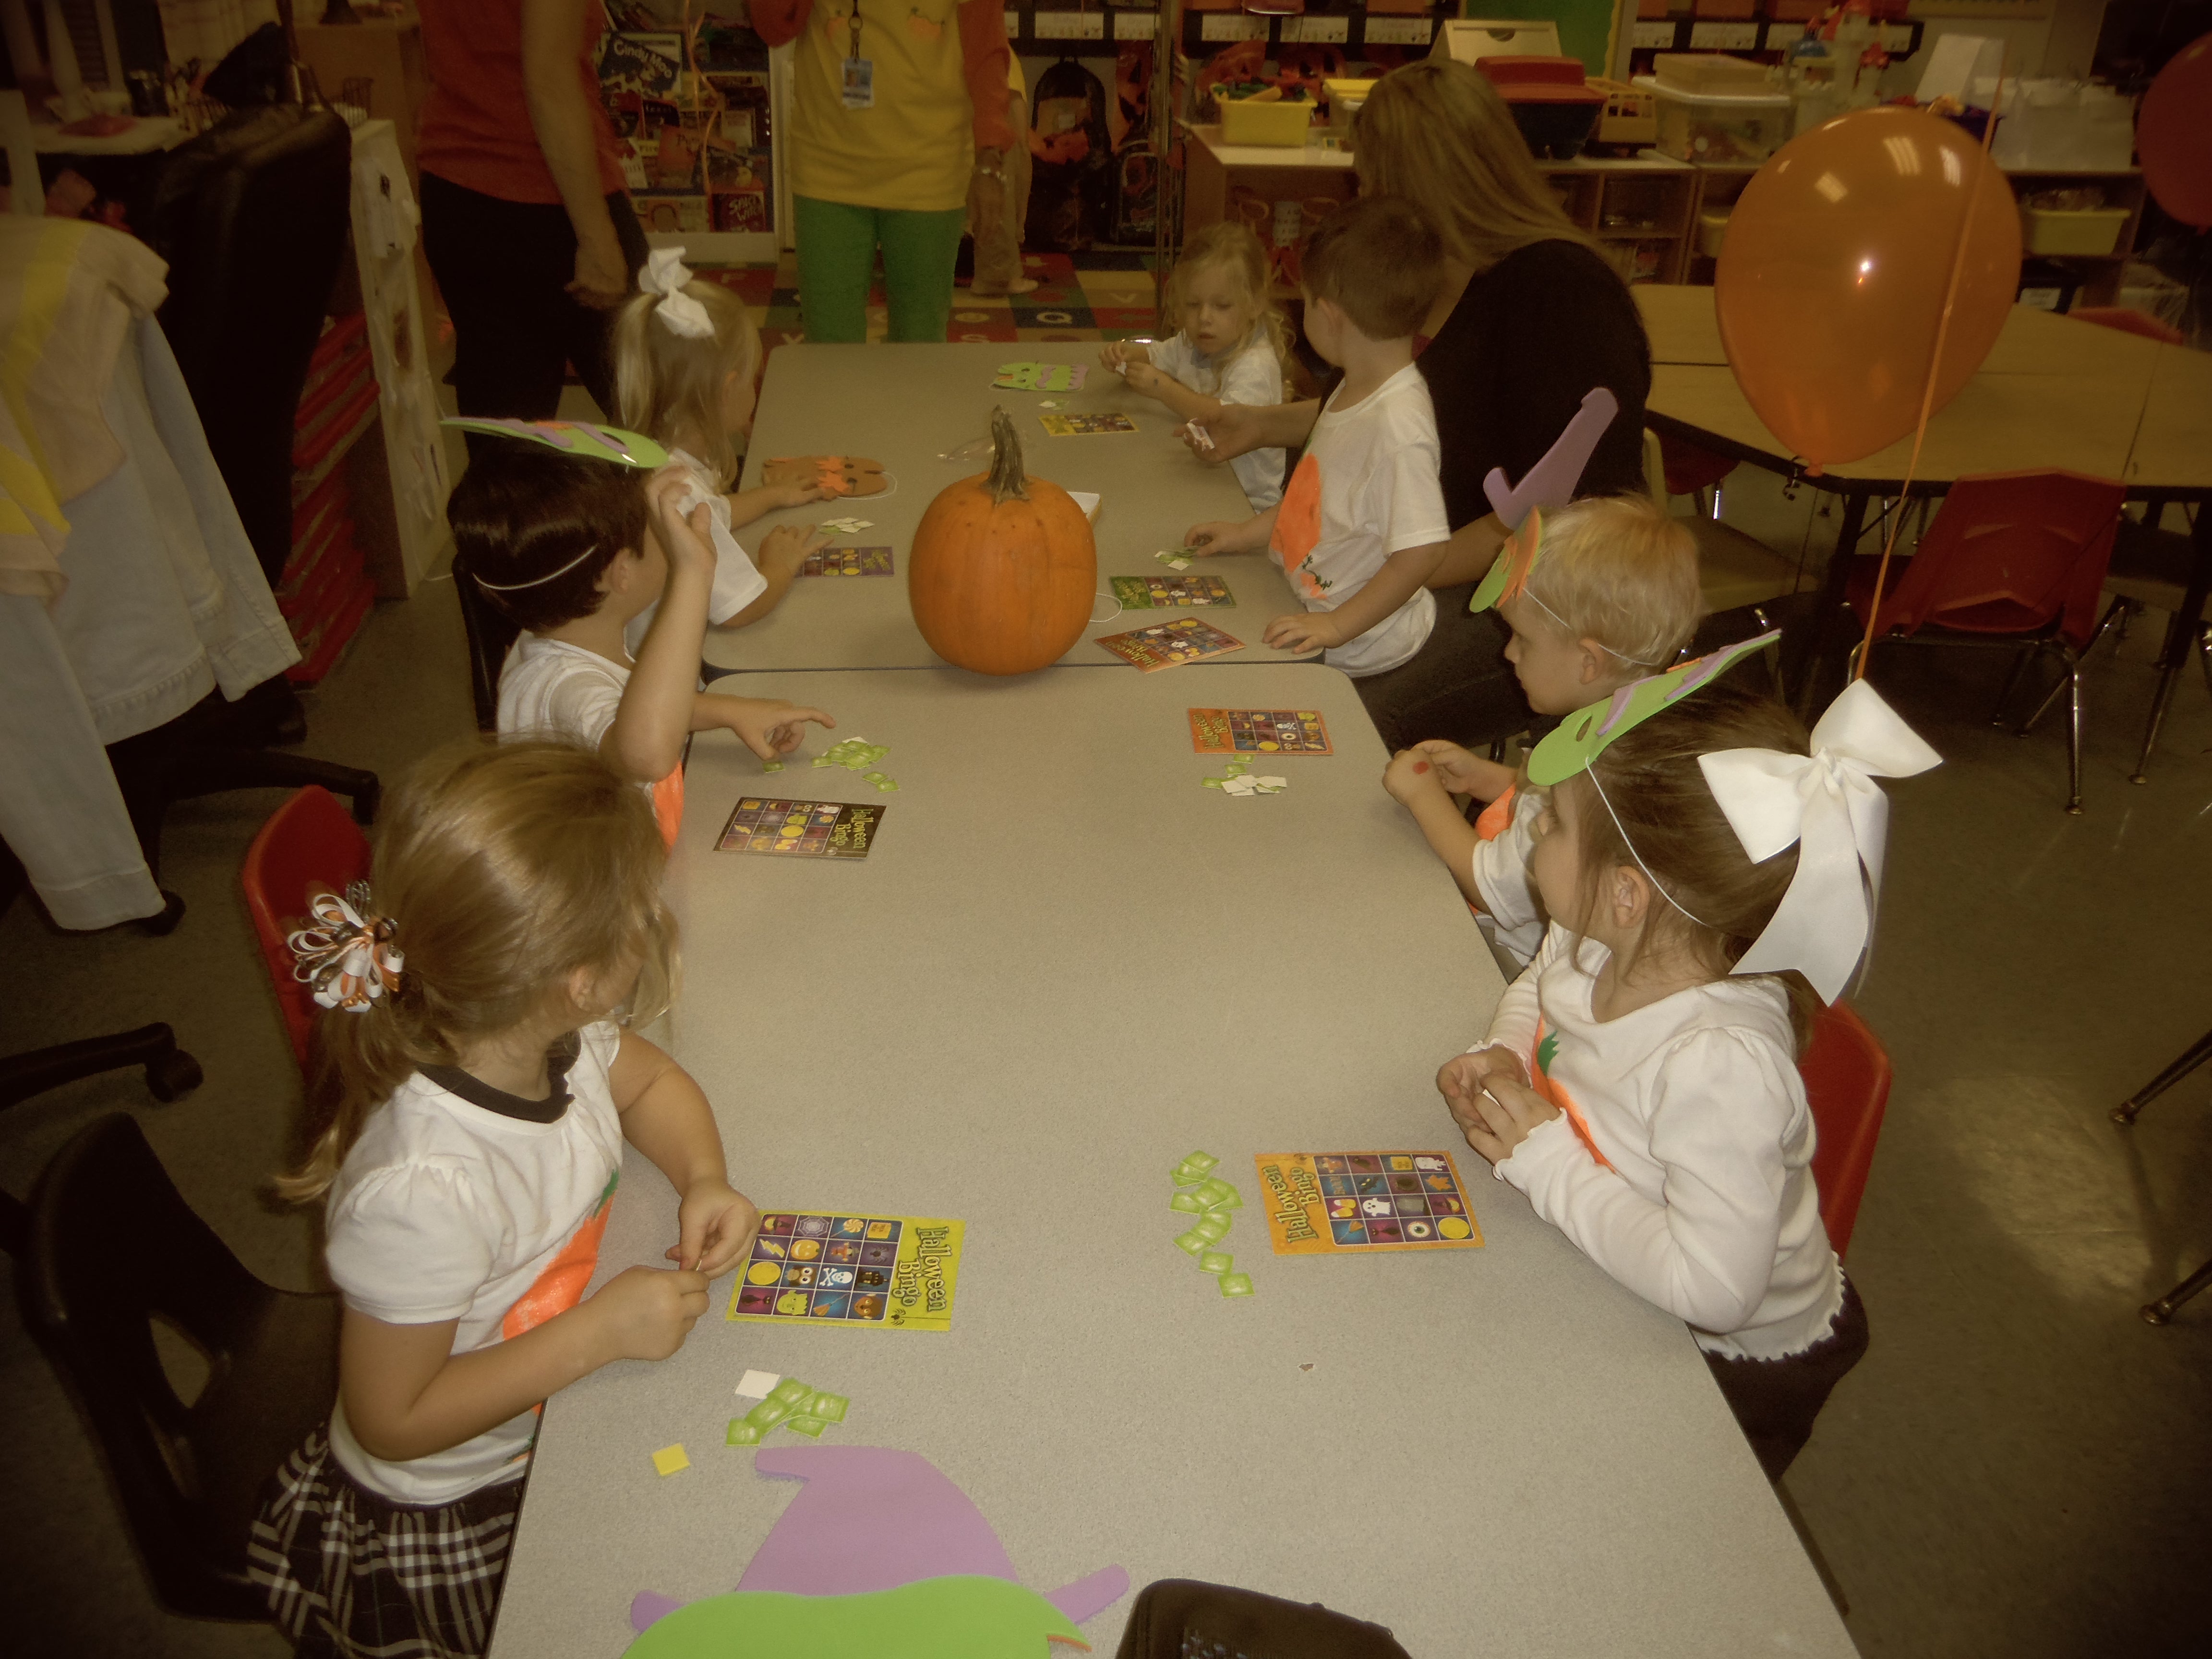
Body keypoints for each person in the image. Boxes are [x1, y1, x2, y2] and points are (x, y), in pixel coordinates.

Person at [246, 738, 761, 1657]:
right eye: (638, 914)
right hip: (455, 1496)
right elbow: (393, 1421)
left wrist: (703, 1175)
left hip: (557, 1413)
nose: (653, 922)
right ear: (579, 977)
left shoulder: (546, 1031)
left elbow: (650, 1082)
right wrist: (598, 1333)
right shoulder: (424, 1189)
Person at [1438, 661, 1941, 1479]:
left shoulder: (1717, 1064)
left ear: (1627, 892)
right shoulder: (1600, 932)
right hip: (1619, 1253)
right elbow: (1541, 983)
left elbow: (1713, 1291)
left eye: (1552, 824)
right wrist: (1507, 1049)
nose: (1532, 833)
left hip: (1728, 1358)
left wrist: (1544, 1158)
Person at [1180, 58, 1654, 745]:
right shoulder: (1436, 280)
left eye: (1371, 180)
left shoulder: (1558, 294)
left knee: (1322, 723)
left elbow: (1551, 516)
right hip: (1409, 570)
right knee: (1256, 646)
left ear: (1420, 186)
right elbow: (1395, 421)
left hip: (1540, 610)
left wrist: (1376, 575)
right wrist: (1261, 425)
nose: (1364, 197)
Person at [448, 431, 834, 846]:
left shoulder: (560, 637)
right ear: (622, 572)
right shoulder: (564, 687)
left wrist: (726, 710)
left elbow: (633, 706)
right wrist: (694, 574)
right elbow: (645, 754)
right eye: (658, 528)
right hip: (613, 872)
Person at [1382, 494, 1701, 969]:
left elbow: (1492, 889)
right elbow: (1550, 801)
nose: (1509, 653)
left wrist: (1423, 797)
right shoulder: (1632, 730)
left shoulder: (1587, 769)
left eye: (1524, 640)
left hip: (1516, 965)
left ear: (1588, 662)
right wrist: (1488, 779)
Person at [1178, 199, 1450, 749]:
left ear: (1329, 316)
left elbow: (1423, 552)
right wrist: (1248, 533)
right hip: (1303, 609)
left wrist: (1337, 625)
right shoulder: (1352, 386)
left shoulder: (1400, 427)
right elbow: (1314, 497)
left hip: (1364, 649)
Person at [418, 0, 651, 440]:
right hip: (544, 189)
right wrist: (597, 237)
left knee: (508, 441)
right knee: (663, 414)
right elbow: (550, 81)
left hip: (457, 182)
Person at [747, 0, 1017, 343]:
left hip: (931, 168)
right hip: (826, 165)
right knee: (829, 346)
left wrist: (990, 158)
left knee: (919, 343)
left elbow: (987, 53)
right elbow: (772, 27)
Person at [613, 247, 834, 647]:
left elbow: (712, 514)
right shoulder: (679, 490)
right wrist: (779, 565)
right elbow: (740, 610)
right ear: (728, 391)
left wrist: (773, 496)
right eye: (753, 378)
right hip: (655, 664)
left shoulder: (658, 458)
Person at [1100, 222, 1289, 509]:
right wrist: (1130, 355)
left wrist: (1163, 389)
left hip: (1245, 502)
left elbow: (1226, 421)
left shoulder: (1255, 365)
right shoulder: (1194, 341)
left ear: (1255, 304)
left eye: (1222, 306)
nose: (1204, 318)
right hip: (1201, 475)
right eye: (1192, 304)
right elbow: (1160, 353)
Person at [966, 53, 1036, 297]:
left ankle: (993, 273)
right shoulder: (1000, 54)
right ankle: (999, 276)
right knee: (1002, 193)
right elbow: (1013, 103)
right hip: (998, 120)